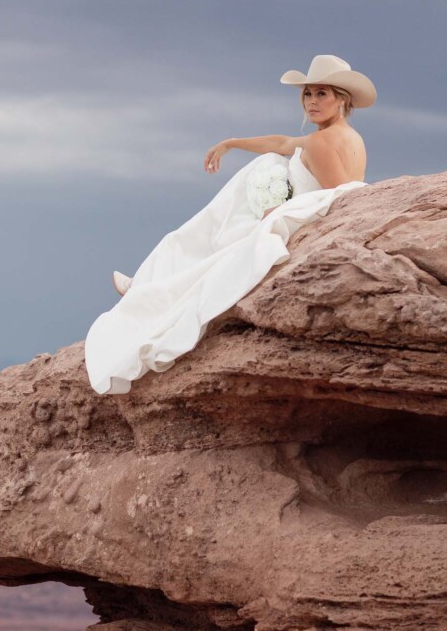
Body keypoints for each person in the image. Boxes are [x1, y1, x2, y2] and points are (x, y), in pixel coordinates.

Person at [85, 54, 376, 395]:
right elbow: (282, 143)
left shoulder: (321, 141)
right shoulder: (345, 136)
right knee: (262, 169)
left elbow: (339, 193)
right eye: (308, 94)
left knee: (219, 235)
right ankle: (149, 280)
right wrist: (232, 143)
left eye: (322, 94)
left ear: (342, 99)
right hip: (306, 209)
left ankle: (149, 287)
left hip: (311, 222)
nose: (312, 101)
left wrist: (285, 211)